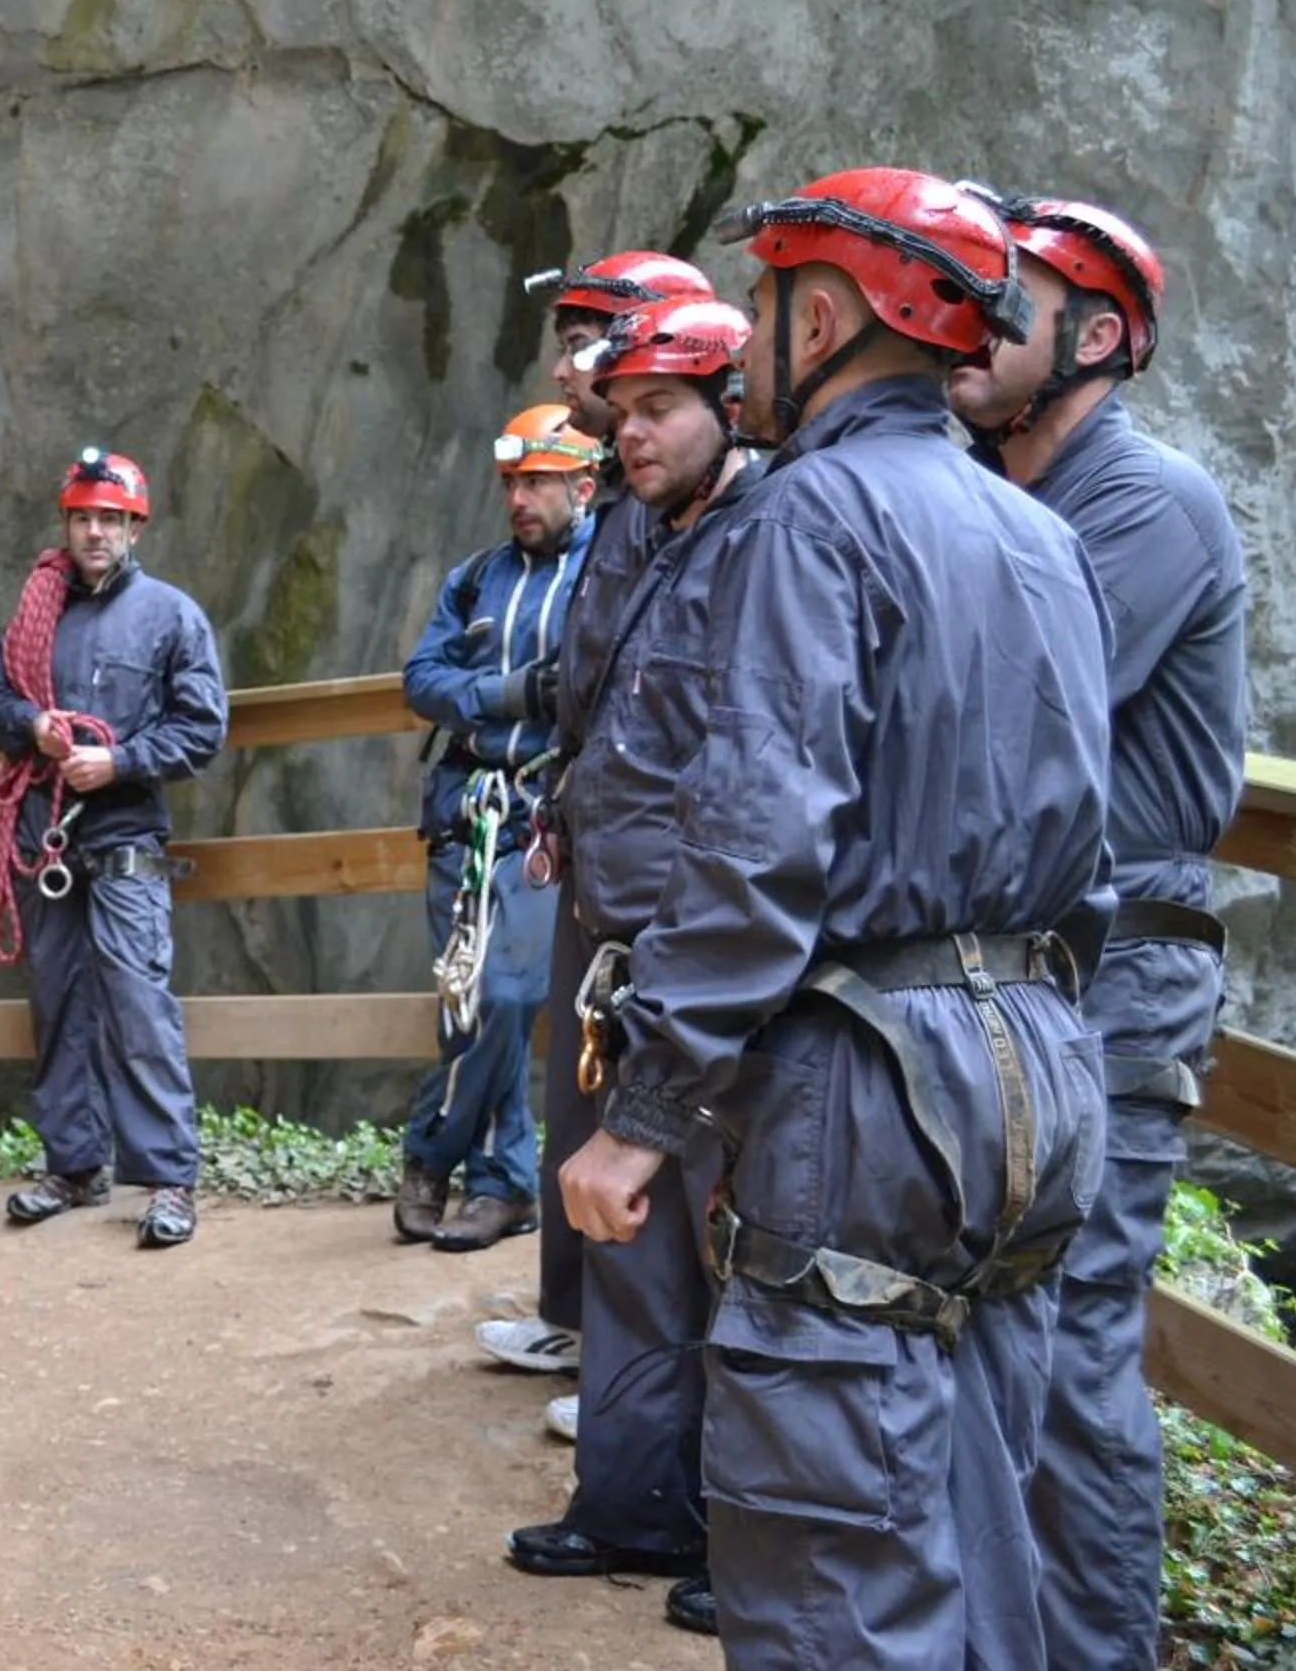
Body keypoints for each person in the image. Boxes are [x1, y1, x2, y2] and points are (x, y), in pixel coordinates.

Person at [558, 167, 1114, 1666]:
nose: (740, 349)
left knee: (829, 1548)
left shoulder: (815, 517)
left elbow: (759, 838)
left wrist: (648, 1109)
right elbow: (1091, 851)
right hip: (1040, 1066)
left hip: (867, 1085)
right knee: (979, 1497)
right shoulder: (1036, 536)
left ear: (823, 313)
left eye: (758, 312)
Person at [948, 186, 1249, 1669]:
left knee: (1072, 1356)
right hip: (1027, 964)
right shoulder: (1014, 500)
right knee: (1001, 1330)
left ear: (1102, 336)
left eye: (1013, 299)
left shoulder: (1149, 505)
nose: (978, 320)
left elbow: (1004, 698)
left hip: (1124, 963)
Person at [501, 293, 760, 1635]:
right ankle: (632, 1502)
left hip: (703, 936)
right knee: (632, 1240)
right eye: (629, 404)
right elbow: (607, 713)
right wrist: (562, 812)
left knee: (726, 1237)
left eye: (664, 408)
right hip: (616, 916)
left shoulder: (760, 537)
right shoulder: (640, 531)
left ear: (731, 408)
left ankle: (738, 1529)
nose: (634, 423)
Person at [481, 250, 714, 1384]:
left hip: (666, 868)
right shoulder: (626, 500)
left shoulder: (689, 500)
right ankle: (592, 1340)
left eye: (592, 336)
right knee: (580, 1101)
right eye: (565, 340)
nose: (571, 363)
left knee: (649, 1113)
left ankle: (634, 1374)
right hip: (597, 841)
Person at [0, 448, 226, 1249]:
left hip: (121, 836)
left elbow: (202, 726)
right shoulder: (37, 611)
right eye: (83, 517)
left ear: (135, 526)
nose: (95, 531)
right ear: (67, 523)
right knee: (58, 1001)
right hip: (46, 839)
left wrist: (119, 761)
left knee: (137, 1002)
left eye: (110, 518)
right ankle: (73, 1165)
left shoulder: (172, 617)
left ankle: (169, 1179)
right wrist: (30, 727)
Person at [394, 405, 599, 1252]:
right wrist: (508, 695)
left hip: (544, 815)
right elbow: (422, 677)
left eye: (540, 482)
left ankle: (434, 1155)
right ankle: (503, 1182)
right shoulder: (475, 579)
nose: (521, 497)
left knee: (507, 994)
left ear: (584, 486)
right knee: (465, 999)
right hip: (464, 809)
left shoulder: (608, 575)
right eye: (514, 482)